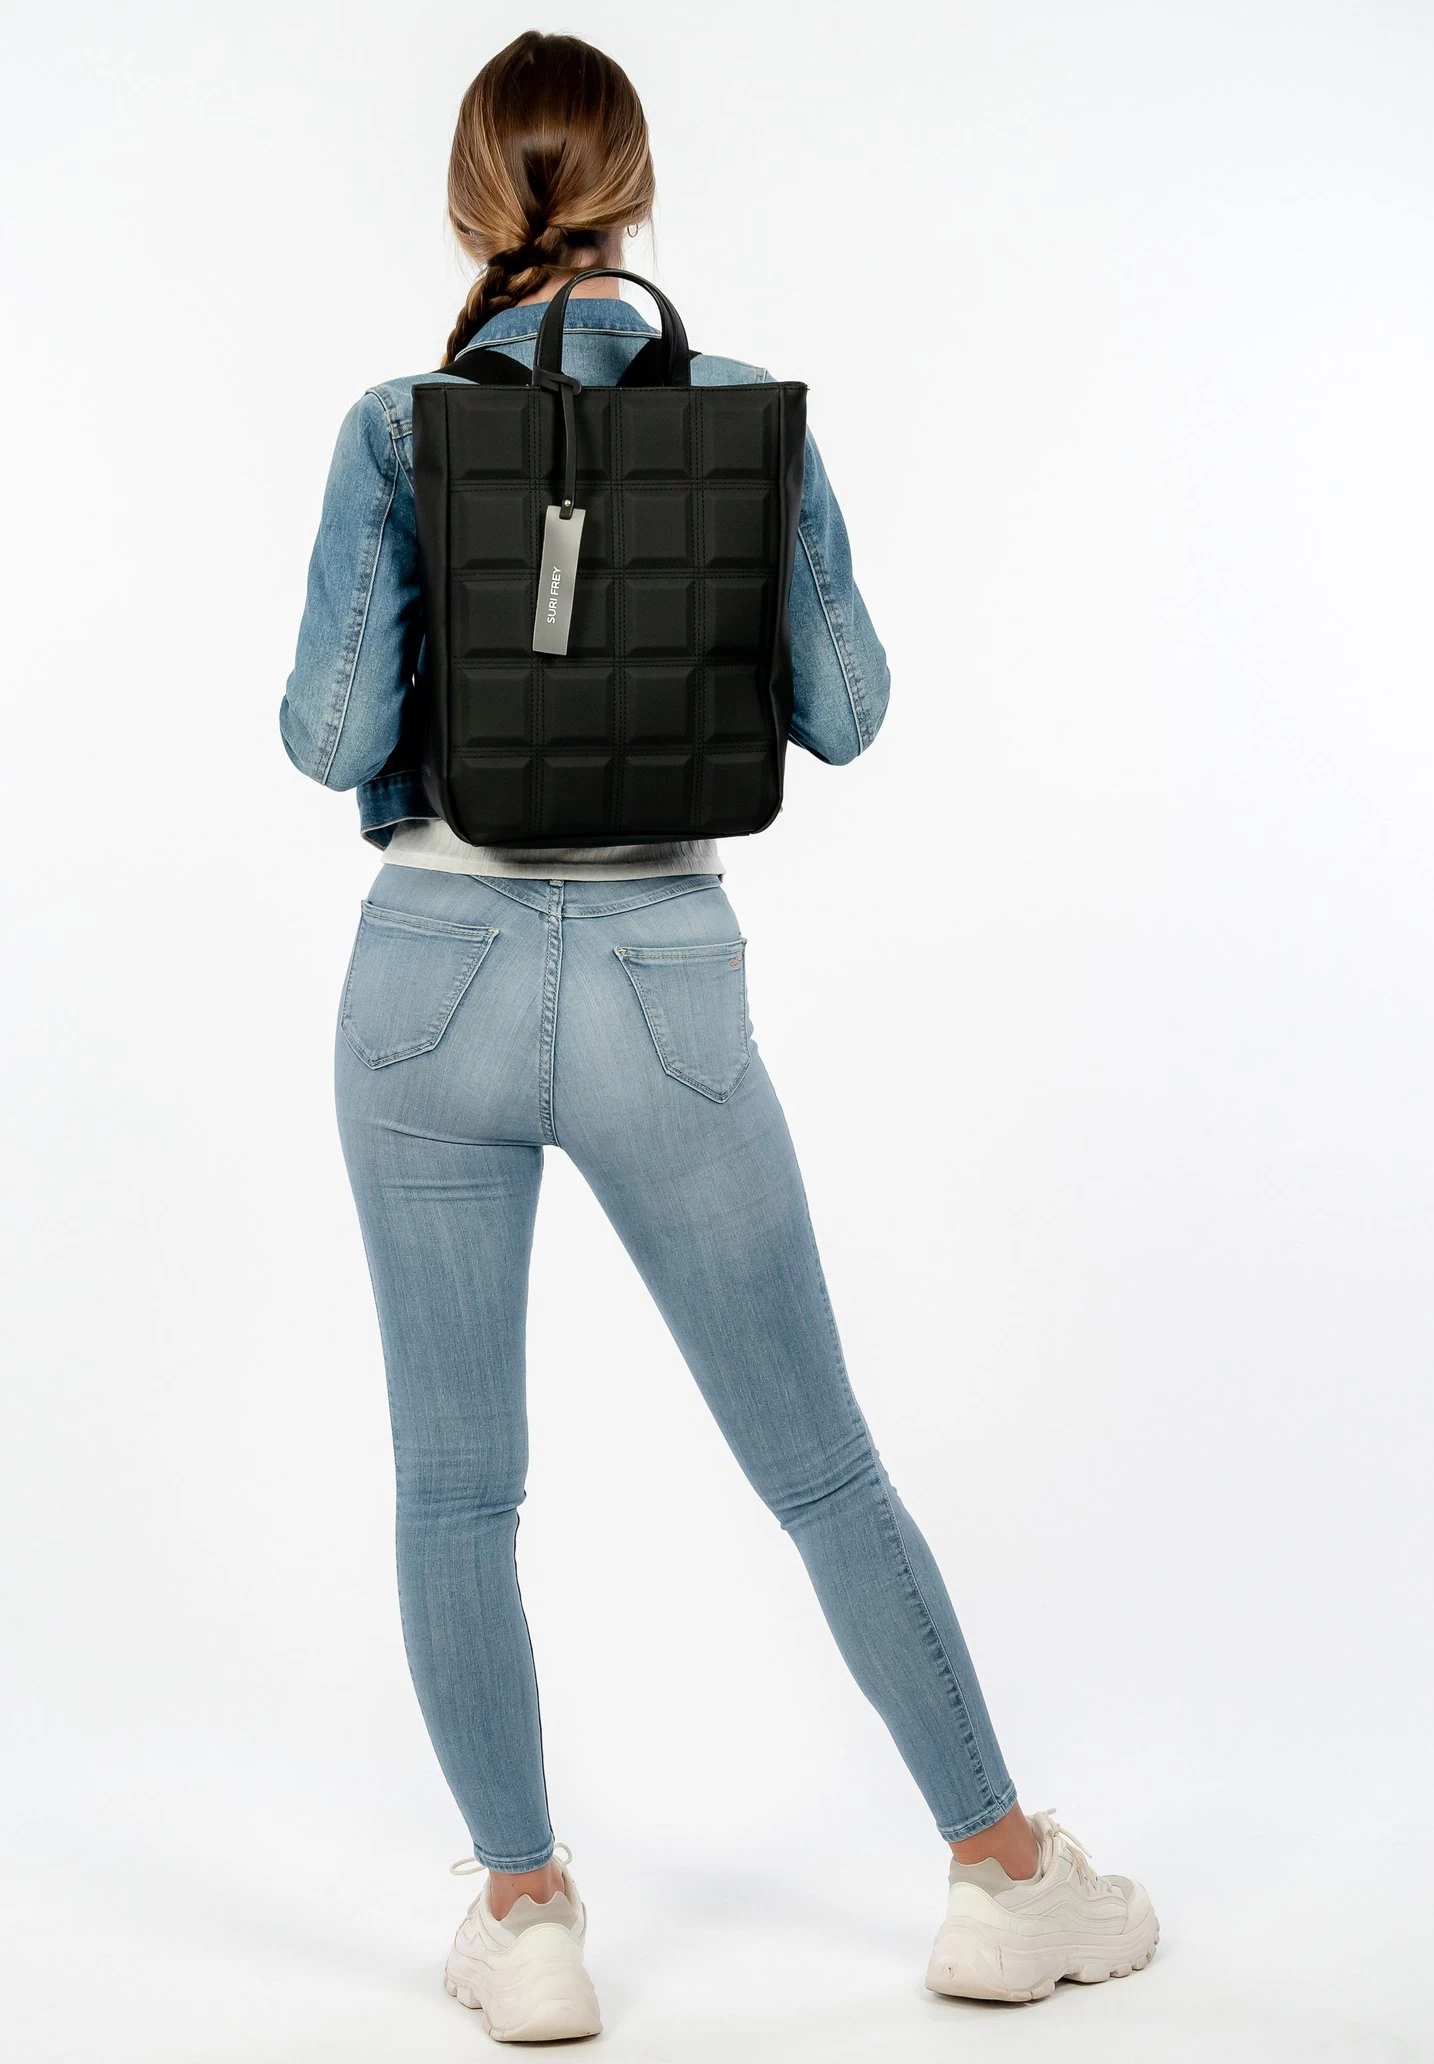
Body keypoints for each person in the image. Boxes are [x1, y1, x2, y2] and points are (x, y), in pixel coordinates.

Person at [280, 28, 1157, 2042]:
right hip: (662, 977)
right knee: (821, 1465)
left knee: (454, 1488)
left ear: (469, 201)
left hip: (424, 981)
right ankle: (1001, 1882)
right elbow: (846, 710)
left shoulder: (395, 427)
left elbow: (331, 739)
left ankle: (526, 1921)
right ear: (637, 188)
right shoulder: (744, 411)